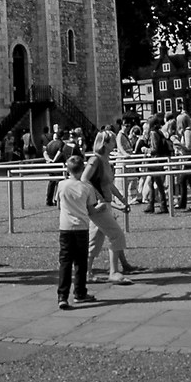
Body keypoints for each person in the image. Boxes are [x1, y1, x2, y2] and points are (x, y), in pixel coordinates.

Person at [83, 130, 132, 280]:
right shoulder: (95, 160)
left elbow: (108, 184)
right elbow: (85, 179)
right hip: (99, 206)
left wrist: (121, 199)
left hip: (105, 203)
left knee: (95, 240)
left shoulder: (105, 160)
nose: (115, 143)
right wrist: (98, 198)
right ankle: (113, 272)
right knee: (116, 235)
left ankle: (86, 272)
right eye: (112, 140)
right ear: (105, 143)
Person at [55, 154, 93, 309]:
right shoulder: (86, 187)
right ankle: (80, 292)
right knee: (80, 261)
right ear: (82, 169)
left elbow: (58, 204)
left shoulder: (61, 185)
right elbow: (91, 208)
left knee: (65, 261)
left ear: (67, 169)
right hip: (82, 226)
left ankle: (62, 295)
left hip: (65, 226)